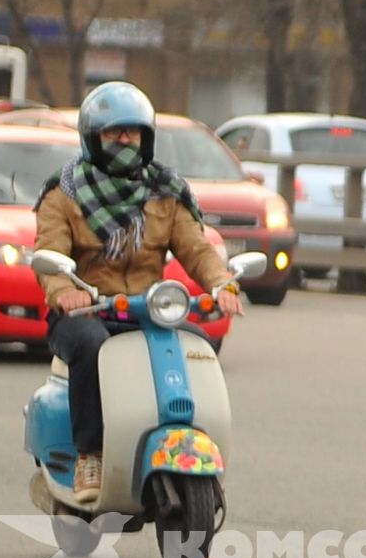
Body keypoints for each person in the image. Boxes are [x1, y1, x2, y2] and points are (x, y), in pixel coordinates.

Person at [33, 81, 243, 506]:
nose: (125, 140)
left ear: (147, 138)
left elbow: (197, 249)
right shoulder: (64, 193)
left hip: (147, 310)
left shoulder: (165, 191)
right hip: (86, 310)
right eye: (114, 132)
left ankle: (188, 440)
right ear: (93, 137)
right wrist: (64, 291)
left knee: (198, 345)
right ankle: (89, 454)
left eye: (133, 132)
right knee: (91, 347)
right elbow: (49, 252)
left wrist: (222, 283)